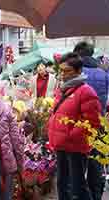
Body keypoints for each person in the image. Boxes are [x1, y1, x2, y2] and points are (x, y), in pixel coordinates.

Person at [48, 52, 101, 200]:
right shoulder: (62, 90)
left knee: (78, 188)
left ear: (78, 71)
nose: (63, 74)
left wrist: (70, 136)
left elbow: (92, 123)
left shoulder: (86, 92)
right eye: (61, 70)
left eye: (67, 71)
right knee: (62, 184)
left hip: (75, 148)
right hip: (61, 146)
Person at [74, 41, 108, 200]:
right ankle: (96, 195)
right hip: (99, 125)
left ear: (79, 54)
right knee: (96, 165)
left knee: (78, 166)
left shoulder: (78, 74)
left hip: (79, 126)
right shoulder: (104, 73)